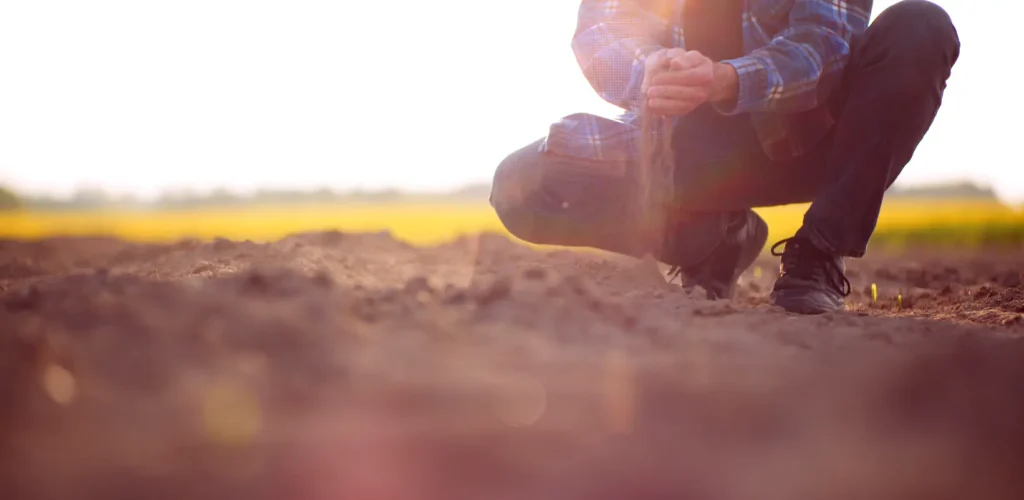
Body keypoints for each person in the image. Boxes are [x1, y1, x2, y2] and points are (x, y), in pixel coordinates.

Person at [488, 0, 960, 314]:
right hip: (688, 146)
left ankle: (819, 251)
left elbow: (825, 43)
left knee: (920, 26)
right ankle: (711, 239)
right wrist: (649, 68)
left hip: (814, 134)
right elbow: (601, 29)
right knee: (523, 183)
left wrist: (727, 78)